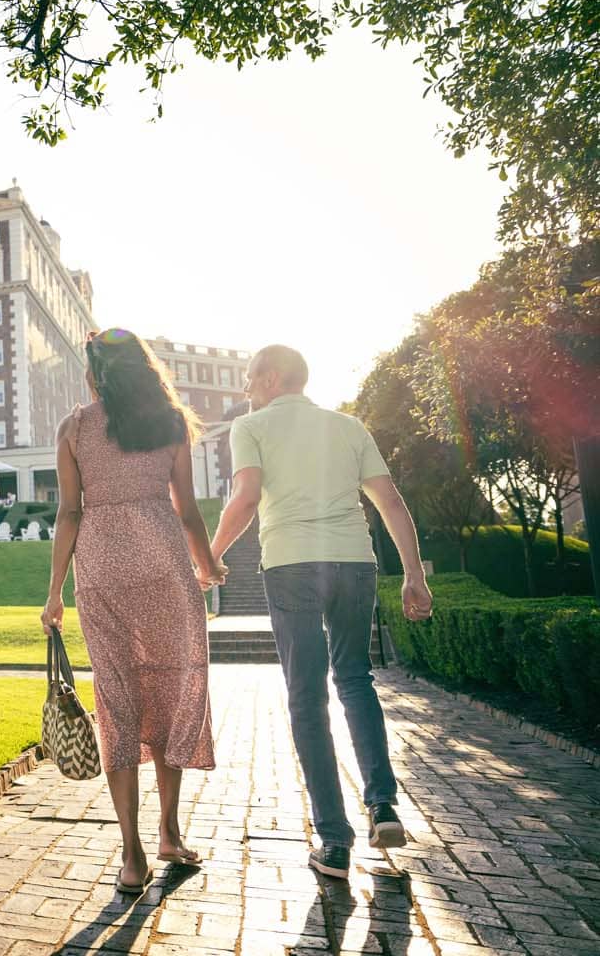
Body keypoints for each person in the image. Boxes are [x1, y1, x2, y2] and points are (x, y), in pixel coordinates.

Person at [210, 344, 433, 880]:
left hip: (290, 564)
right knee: (356, 680)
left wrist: (211, 554)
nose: (244, 390)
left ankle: (333, 840)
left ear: (270, 377)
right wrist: (414, 574)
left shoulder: (252, 426)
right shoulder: (348, 427)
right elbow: (391, 501)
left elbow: (245, 497)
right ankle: (382, 805)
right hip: (355, 562)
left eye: (248, 379)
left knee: (306, 696)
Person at [41, 328, 226, 895]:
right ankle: (170, 833)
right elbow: (187, 511)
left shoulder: (73, 428)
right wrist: (209, 565)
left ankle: (133, 855)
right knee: (171, 694)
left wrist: (54, 593)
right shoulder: (170, 423)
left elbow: (69, 513)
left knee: (118, 702)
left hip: (101, 571)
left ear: (95, 374)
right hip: (166, 568)